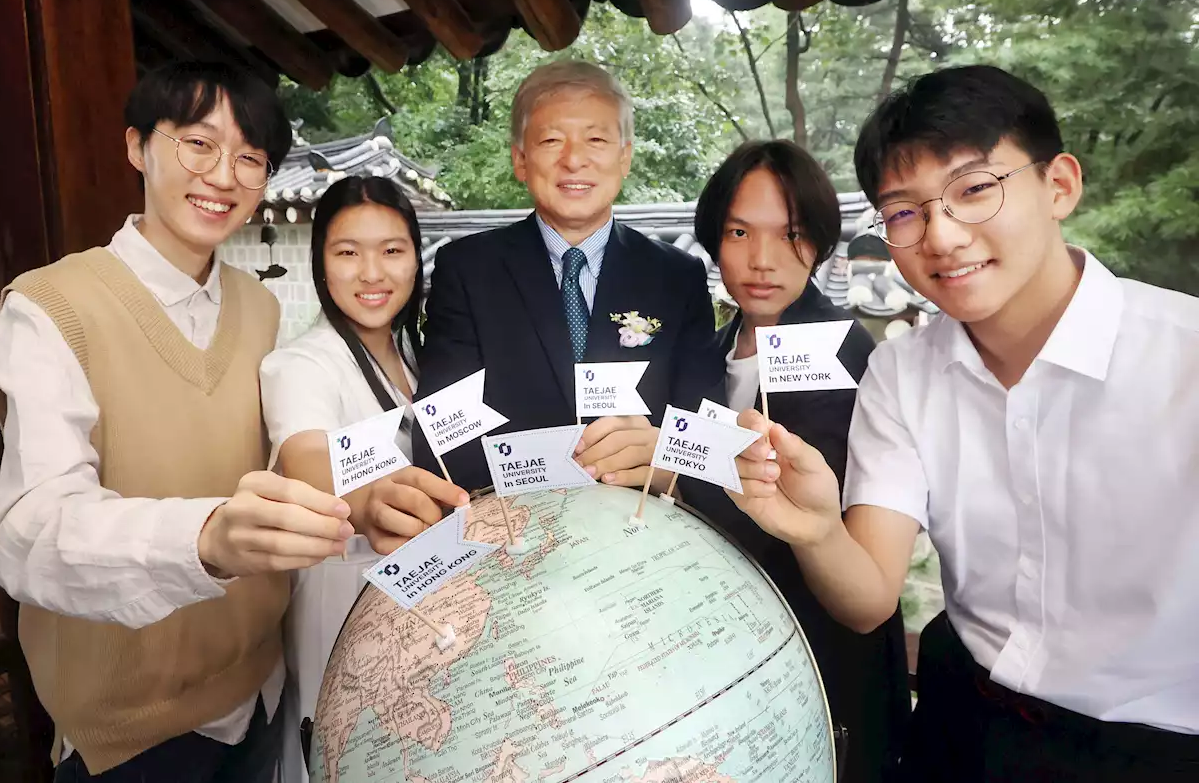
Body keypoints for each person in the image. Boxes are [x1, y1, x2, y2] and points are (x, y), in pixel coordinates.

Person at [729, 65, 1199, 781]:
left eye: (975, 189)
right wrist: (820, 528)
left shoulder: (1184, 358)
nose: (941, 236)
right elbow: (868, 600)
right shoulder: (902, 370)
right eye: (904, 212)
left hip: (1152, 744)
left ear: (1059, 186)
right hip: (958, 720)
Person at [0, 62, 354, 783]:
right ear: (137, 146)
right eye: (197, 143)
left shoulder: (261, 307)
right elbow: (25, 534)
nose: (224, 175)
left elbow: (269, 458)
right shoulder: (50, 306)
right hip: (133, 733)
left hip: (262, 692)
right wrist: (206, 536)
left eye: (251, 158)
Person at [684, 140, 909, 783]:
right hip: (734, 654)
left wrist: (678, 469)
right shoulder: (705, 349)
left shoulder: (842, 347)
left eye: (792, 235)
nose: (762, 260)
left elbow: (799, 507)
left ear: (821, 242)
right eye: (737, 232)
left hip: (826, 653)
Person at [414, 60, 718, 489]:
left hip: (645, 531)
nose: (574, 160)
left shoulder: (677, 276)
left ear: (625, 157)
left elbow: (706, 430)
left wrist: (666, 460)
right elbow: (445, 433)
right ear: (521, 160)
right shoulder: (468, 270)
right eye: (552, 140)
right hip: (516, 533)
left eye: (596, 139)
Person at [259, 176, 468, 782]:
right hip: (342, 610)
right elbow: (306, 456)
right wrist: (373, 499)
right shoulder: (300, 364)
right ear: (320, 262)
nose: (372, 272)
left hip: (427, 609)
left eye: (392, 251)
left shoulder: (421, 358)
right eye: (347, 252)